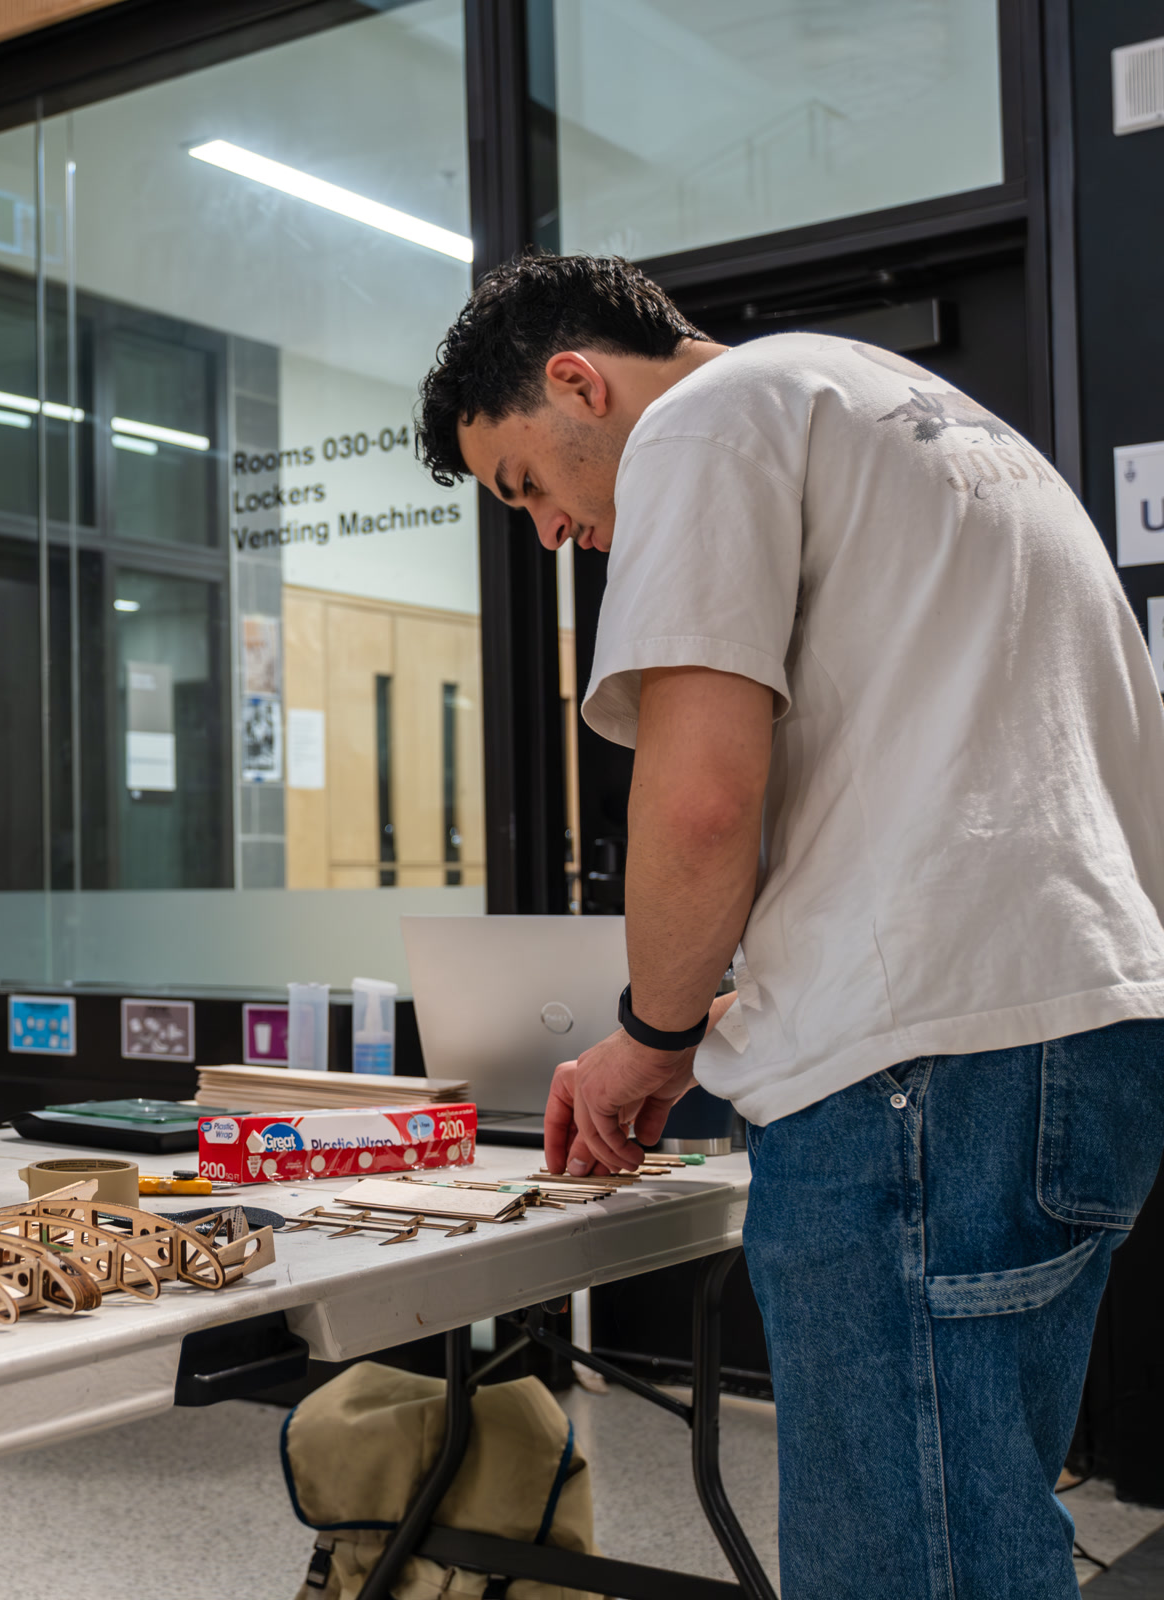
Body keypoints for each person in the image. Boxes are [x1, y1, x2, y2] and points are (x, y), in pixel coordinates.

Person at [416, 253, 1164, 1598]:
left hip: (921, 1072)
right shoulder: (901, 410)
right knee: (984, 1518)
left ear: (577, 382)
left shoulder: (709, 422)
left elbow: (701, 799)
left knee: (909, 1564)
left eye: (527, 482)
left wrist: (651, 1033)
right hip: (1083, 1031)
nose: (546, 528)